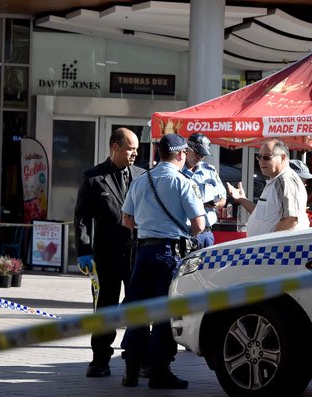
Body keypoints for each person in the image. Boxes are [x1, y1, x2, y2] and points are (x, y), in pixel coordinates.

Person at [120, 133, 205, 389]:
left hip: (142, 252)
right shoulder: (183, 182)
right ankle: (158, 372)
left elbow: (126, 220)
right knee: (164, 314)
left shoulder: (140, 180)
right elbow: (199, 224)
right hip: (169, 254)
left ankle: (131, 370)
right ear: (180, 154)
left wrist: (148, 225)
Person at [73, 127, 145, 378]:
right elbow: (82, 218)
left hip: (137, 254)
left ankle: (138, 358)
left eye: (137, 149)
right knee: (106, 307)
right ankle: (100, 359)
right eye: (131, 148)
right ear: (115, 147)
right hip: (107, 255)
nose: (135, 153)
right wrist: (84, 250)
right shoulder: (93, 178)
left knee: (139, 306)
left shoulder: (142, 176)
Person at [227, 138, 309, 237]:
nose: (261, 161)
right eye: (259, 157)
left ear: (283, 157)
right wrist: (242, 200)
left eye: (266, 157)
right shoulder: (276, 180)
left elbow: (291, 220)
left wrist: (268, 246)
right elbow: (264, 216)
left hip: (276, 250)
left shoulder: (284, 180)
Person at [182, 133, 227, 248]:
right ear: (187, 149)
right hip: (184, 233)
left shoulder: (209, 170)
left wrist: (216, 204)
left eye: (203, 155)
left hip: (206, 234)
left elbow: (223, 198)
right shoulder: (177, 171)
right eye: (197, 153)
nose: (200, 157)